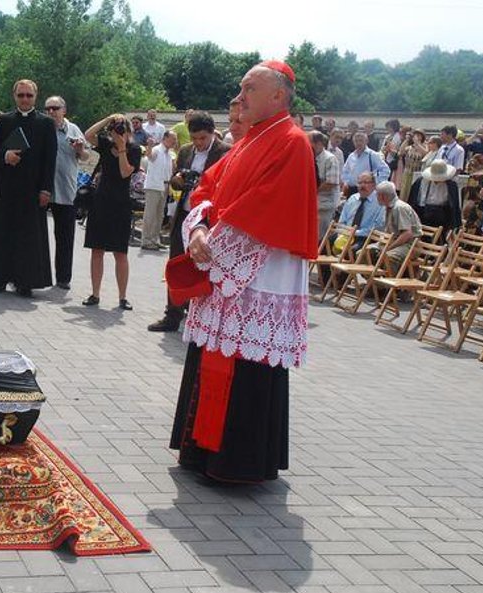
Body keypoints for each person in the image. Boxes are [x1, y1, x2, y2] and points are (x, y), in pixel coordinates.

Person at [169, 60, 318, 483]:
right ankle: (202, 454)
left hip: (258, 278)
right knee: (215, 359)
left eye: (250, 88)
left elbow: (264, 208)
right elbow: (208, 190)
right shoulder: (249, 141)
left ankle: (237, 462)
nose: (241, 97)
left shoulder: (291, 142)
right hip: (226, 271)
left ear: (278, 95)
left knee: (246, 367)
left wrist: (210, 248)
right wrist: (198, 227)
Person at [0, 79, 57, 298]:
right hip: (6, 188)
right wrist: (4, 156)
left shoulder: (46, 124)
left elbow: (50, 160)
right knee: (2, 232)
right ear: (14, 96)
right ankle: (0, 277)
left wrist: (46, 189)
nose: (25, 99)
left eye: (29, 95)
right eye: (21, 95)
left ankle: (25, 281)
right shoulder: (3, 120)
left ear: (36, 97)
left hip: (33, 188)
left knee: (29, 236)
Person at [148, 111, 231, 332]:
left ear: (213, 133)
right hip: (184, 215)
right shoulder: (185, 151)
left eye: (203, 138)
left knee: (203, 268)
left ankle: (202, 317)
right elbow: (177, 182)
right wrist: (177, 180)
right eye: (194, 138)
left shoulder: (226, 153)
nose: (198, 143)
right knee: (176, 264)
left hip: (208, 220)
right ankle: (172, 314)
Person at [79, 113, 140, 310]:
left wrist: (122, 148)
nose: (118, 132)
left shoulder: (134, 149)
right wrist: (107, 120)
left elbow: (125, 172)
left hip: (120, 204)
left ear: (129, 131)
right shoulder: (105, 143)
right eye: (115, 128)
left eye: (122, 128)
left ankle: (122, 297)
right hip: (101, 201)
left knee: (120, 252)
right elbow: (87, 135)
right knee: (97, 250)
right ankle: (95, 294)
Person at [44, 95, 88, 289]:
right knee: (36, 235)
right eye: (48, 109)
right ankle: (34, 276)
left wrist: (79, 149)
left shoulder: (74, 129)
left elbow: (86, 156)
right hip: (42, 189)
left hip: (65, 190)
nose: (51, 112)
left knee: (65, 237)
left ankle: (63, 278)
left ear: (64, 110)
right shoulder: (42, 128)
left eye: (55, 108)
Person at [406, 159, 461, 242]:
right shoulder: (421, 182)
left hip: (442, 216)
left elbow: (455, 206)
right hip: (424, 213)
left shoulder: (451, 186)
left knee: (440, 239)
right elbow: (414, 200)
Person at [373, 181, 421, 271]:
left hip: (409, 245)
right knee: (366, 252)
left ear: (383, 196)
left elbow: (407, 234)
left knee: (389, 256)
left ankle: (387, 283)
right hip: (393, 241)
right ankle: (371, 282)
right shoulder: (388, 207)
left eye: (377, 195)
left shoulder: (400, 208)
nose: (376, 198)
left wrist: (389, 248)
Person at [141, 131, 175, 250]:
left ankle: (155, 239)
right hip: (154, 186)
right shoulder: (157, 149)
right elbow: (149, 156)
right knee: (150, 214)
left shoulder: (170, 154)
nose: (174, 142)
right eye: (172, 139)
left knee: (159, 215)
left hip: (165, 185)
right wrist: (149, 146)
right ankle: (146, 240)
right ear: (165, 138)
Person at [338, 172, 386, 251]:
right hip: (346, 234)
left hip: (365, 238)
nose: (362, 186)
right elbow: (342, 221)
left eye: (366, 182)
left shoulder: (379, 202)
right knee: (323, 245)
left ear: (374, 185)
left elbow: (377, 227)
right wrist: (343, 233)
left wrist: (355, 233)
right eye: (360, 183)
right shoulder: (352, 199)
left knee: (350, 252)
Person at [310, 130, 341, 240]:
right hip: (312, 204)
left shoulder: (330, 159)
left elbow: (331, 183)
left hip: (324, 205)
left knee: (318, 238)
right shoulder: (310, 157)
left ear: (319, 143)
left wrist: (311, 190)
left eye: (310, 142)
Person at [341, 132, 390, 196]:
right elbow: (345, 171)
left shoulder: (373, 155)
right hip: (352, 190)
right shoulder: (351, 156)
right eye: (356, 141)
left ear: (366, 141)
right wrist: (346, 182)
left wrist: (376, 183)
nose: (358, 143)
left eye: (361, 140)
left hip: (367, 190)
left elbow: (385, 170)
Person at [398, 129, 427, 197]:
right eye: (415, 135)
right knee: (405, 191)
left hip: (417, 173)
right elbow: (400, 153)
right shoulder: (410, 147)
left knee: (414, 192)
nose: (417, 136)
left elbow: (426, 154)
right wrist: (407, 140)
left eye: (419, 135)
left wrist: (417, 144)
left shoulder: (425, 146)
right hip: (407, 171)